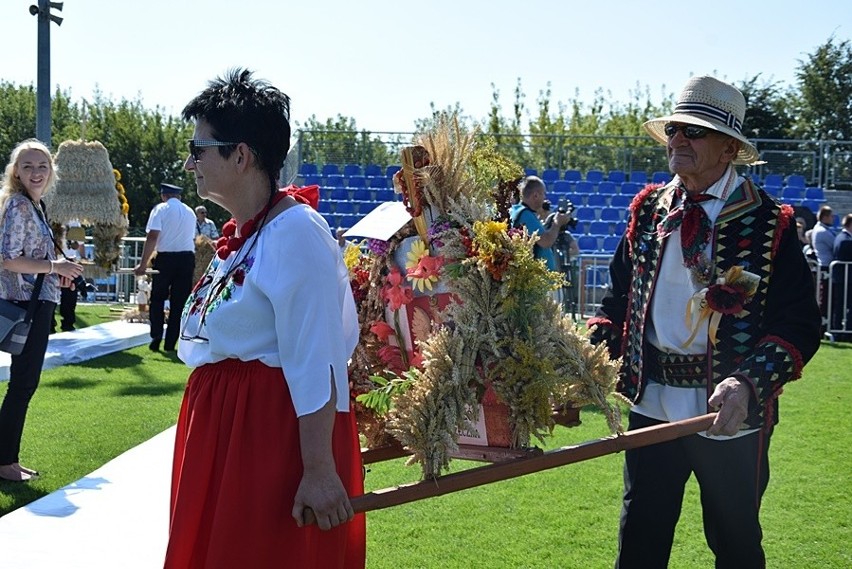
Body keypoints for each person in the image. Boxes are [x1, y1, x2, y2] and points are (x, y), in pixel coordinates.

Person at [587, 76, 821, 567]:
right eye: (675, 128)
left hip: (729, 414)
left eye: (694, 132)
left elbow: (799, 324)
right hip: (650, 402)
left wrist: (749, 383)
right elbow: (618, 302)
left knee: (735, 544)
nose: (678, 140)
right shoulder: (648, 209)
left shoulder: (767, 222)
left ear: (729, 148)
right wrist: (587, 355)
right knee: (640, 539)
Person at [165, 68, 364, 568]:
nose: (190, 163)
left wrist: (318, 470)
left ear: (241, 155)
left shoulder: (296, 232)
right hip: (228, 433)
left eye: (199, 149)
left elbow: (317, 357)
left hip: (267, 439)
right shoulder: (244, 234)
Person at [0, 139, 84, 482]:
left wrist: (58, 273)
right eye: (28, 166)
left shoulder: (36, 205)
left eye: (42, 166)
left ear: (52, 171)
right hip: (23, 303)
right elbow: (8, 258)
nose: (36, 172)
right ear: (16, 171)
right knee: (22, 384)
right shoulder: (20, 206)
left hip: (35, 300)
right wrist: (55, 267)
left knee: (23, 383)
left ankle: (7, 458)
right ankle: (5, 463)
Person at [134, 182, 196, 352]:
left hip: (166, 258)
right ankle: (171, 342)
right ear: (179, 196)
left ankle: (156, 336)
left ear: (163, 196)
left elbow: (153, 236)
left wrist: (143, 264)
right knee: (179, 302)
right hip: (186, 258)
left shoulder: (161, 209)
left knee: (158, 298)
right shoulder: (190, 212)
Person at [509, 176, 570, 273]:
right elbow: (545, 241)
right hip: (534, 278)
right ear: (535, 195)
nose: (544, 198)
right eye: (543, 194)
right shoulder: (526, 215)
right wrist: (557, 223)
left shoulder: (517, 210)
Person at [811, 205, 836, 328]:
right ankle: (822, 327)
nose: (833, 218)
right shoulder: (822, 231)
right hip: (826, 268)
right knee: (825, 299)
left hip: (826, 267)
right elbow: (835, 245)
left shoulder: (822, 229)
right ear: (825, 217)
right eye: (831, 216)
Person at [831, 213, 852, 340]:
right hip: (846, 279)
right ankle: (845, 332)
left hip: (844, 278)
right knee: (844, 306)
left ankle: (841, 331)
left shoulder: (842, 237)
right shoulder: (845, 240)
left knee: (841, 306)